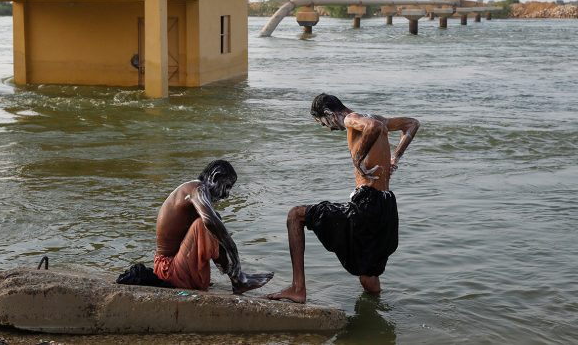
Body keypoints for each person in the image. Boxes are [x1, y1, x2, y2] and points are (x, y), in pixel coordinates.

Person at [267, 93, 419, 303]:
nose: (328, 128)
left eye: (323, 123)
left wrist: (357, 160)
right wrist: (395, 157)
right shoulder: (378, 118)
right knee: (368, 275)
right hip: (386, 206)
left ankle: (297, 288)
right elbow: (412, 124)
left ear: (329, 114)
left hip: (367, 205)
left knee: (295, 215)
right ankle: (376, 314)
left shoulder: (350, 119)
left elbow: (372, 126)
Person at [153, 159, 273, 293]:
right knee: (208, 224)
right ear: (215, 177)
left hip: (175, 267)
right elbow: (210, 222)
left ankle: (236, 280)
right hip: (168, 270)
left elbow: (214, 223)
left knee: (215, 220)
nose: (226, 195)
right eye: (227, 187)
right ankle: (238, 279)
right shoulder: (198, 188)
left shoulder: (195, 191)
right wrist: (233, 251)